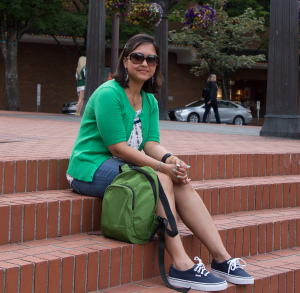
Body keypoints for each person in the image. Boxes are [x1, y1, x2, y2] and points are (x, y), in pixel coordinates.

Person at [66, 34, 253, 292]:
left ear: (156, 66)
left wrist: (171, 160)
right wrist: (161, 169)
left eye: (151, 59)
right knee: (160, 178)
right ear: (125, 60)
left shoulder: (149, 100)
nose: (145, 63)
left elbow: (151, 143)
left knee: (179, 181)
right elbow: (117, 147)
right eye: (138, 57)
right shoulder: (109, 93)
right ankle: (181, 265)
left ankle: (222, 259)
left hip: (124, 165)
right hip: (91, 167)